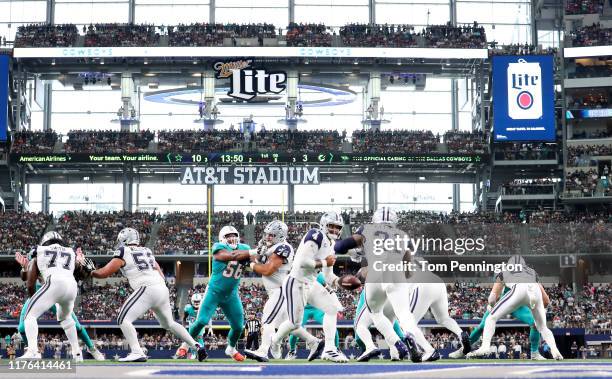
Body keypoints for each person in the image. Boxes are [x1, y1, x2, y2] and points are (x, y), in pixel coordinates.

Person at [89, 227, 206, 362]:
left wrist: (91, 271)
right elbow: (157, 268)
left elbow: (103, 273)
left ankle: (137, 352)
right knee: (169, 324)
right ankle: (196, 346)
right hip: (161, 287)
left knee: (122, 319)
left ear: (125, 240)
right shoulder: (147, 251)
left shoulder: (123, 251)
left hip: (147, 288)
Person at [270, 212, 350, 362]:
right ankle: (275, 340)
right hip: (296, 281)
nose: (334, 230)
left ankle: (330, 349)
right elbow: (302, 261)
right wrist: (326, 262)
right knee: (294, 323)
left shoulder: (331, 245)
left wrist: (341, 282)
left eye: (337, 227)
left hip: (311, 283)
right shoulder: (315, 235)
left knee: (332, 308)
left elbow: (328, 276)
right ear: (324, 225)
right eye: (331, 226)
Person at [177, 226, 253, 361]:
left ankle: (231, 348)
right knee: (201, 321)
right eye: (228, 236)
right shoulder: (218, 247)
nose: (232, 238)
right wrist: (250, 254)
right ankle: (185, 344)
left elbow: (254, 262)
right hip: (214, 291)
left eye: (234, 235)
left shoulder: (244, 247)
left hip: (231, 294)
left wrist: (255, 257)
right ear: (222, 238)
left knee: (238, 326)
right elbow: (224, 256)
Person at [466, 256, 563, 360]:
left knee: (491, 318)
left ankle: (484, 347)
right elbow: (546, 301)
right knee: (542, 327)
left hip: (517, 292)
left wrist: (491, 306)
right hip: (534, 290)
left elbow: (492, 298)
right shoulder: (532, 272)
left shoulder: (505, 271)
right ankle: (554, 350)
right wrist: (537, 312)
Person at [14, 251, 104, 361]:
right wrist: (24, 267)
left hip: (55, 293)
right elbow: (24, 277)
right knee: (22, 328)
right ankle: (32, 350)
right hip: (38, 294)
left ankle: (91, 348)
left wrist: (79, 264)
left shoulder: (55, 261)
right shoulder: (37, 259)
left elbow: (75, 275)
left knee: (75, 325)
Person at [17, 232, 82, 361]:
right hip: (72, 286)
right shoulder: (70, 251)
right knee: (66, 318)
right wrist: (80, 261)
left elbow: (29, 279)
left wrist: (32, 297)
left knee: (29, 315)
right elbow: (80, 272)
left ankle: (33, 351)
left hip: (54, 283)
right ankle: (77, 353)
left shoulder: (39, 250)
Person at [244, 220, 295, 362]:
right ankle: (313, 342)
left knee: (267, 319)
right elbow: (257, 258)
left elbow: (267, 270)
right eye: (267, 234)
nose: (267, 237)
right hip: (279, 291)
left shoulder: (283, 247)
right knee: (291, 325)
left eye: (271, 235)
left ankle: (263, 350)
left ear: (280, 236)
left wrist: (250, 264)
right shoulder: (270, 247)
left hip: (281, 290)